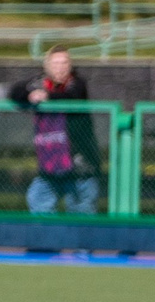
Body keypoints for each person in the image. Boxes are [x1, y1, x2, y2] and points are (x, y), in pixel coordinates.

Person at [13, 48, 101, 214]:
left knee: (81, 215)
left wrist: (47, 97)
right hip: (51, 166)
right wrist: (30, 95)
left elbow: (71, 97)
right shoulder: (41, 82)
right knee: (37, 200)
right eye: (55, 64)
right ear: (47, 66)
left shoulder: (77, 84)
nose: (60, 68)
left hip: (79, 167)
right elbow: (16, 91)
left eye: (64, 63)